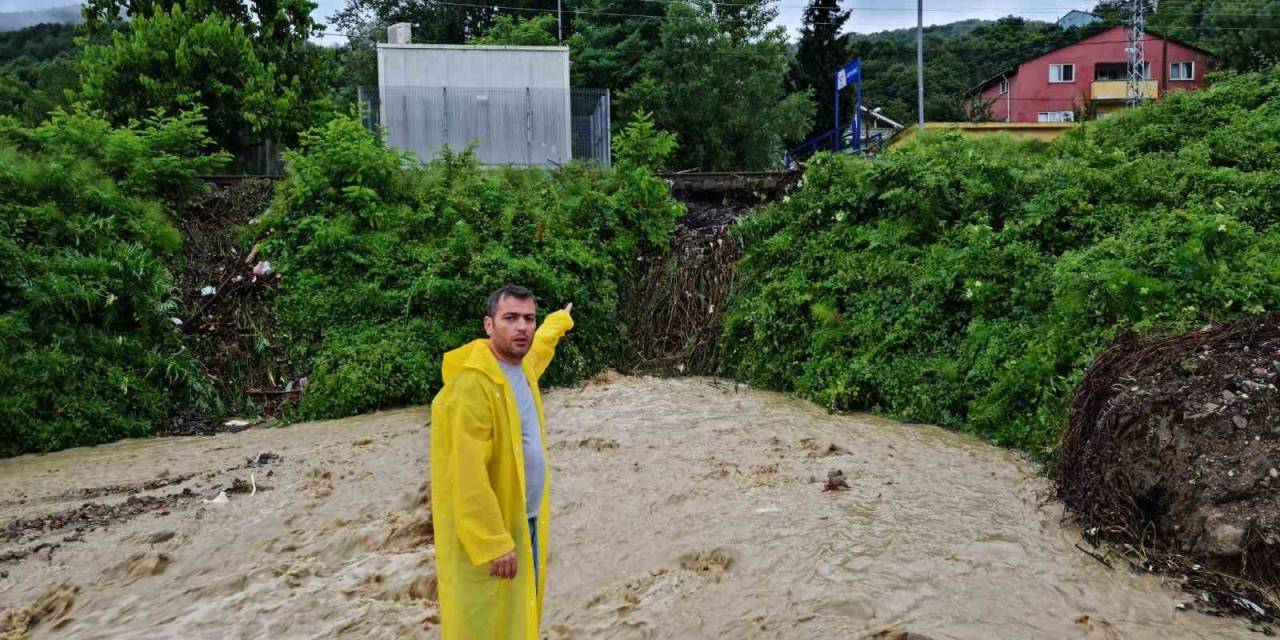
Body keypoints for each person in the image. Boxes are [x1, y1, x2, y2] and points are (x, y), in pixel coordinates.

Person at [430, 284, 574, 640]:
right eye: (510, 318)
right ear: (489, 325)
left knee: (519, 614)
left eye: (529, 318)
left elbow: (540, 349)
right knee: (487, 620)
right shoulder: (474, 384)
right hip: (497, 530)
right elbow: (466, 471)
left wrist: (559, 321)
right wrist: (493, 540)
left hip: (526, 517)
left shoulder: (521, 368)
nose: (522, 327)